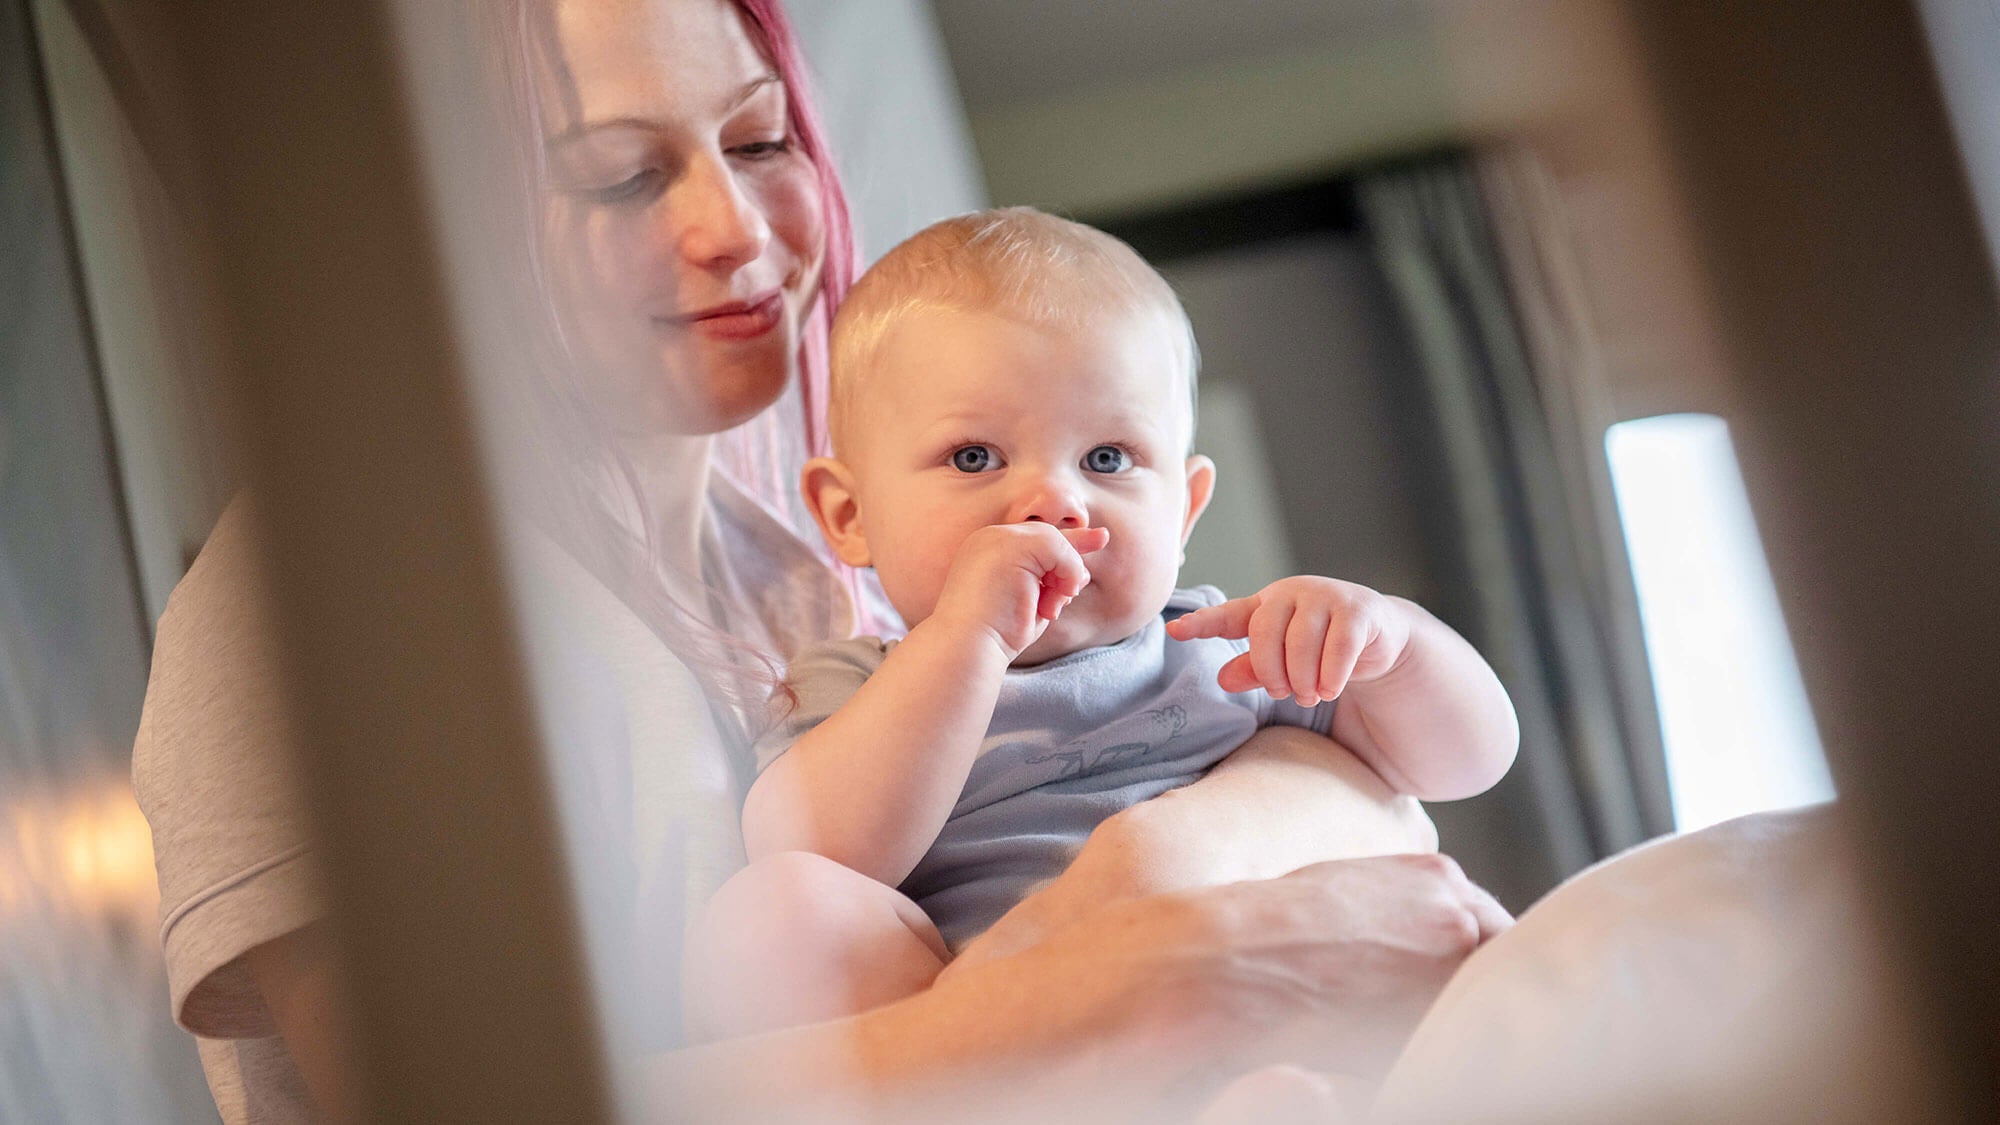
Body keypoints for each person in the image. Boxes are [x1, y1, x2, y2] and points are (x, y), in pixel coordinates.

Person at [132, 1, 1506, 1121]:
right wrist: (1123, 972)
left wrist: (1284, 766)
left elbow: (1383, 786)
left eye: (761, 138)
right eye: (618, 174)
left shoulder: (800, 583)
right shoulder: (316, 615)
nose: (734, 233)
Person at [684, 209, 1520, 1039]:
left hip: (1258, 996)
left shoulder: (1227, 646)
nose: (1056, 498)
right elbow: (822, 854)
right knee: (773, 913)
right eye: (975, 456)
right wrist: (966, 642)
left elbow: (1462, 762)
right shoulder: (856, 683)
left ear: (1185, 510)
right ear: (849, 513)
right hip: (999, 1027)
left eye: (1107, 458)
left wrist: (1397, 643)